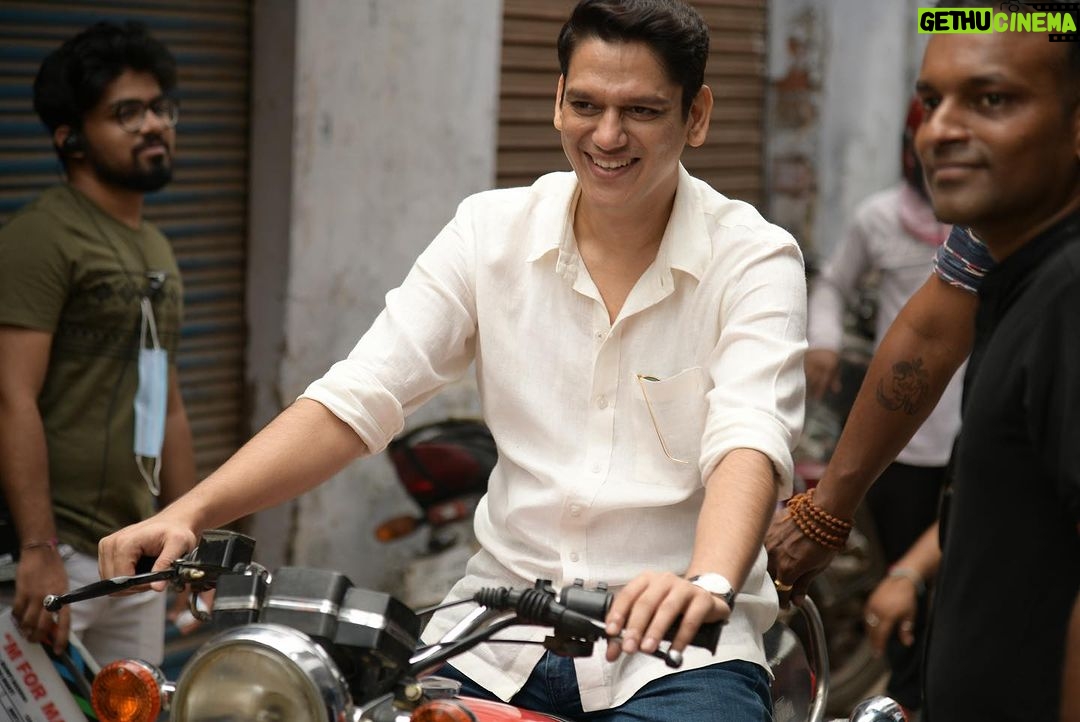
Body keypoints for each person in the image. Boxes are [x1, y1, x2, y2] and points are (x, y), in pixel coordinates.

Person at [98, 1, 807, 719]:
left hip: (680, 652)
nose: (607, 135)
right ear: (558, 102)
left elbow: (748, 437)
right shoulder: (487, 233)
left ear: (696, 116)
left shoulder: (754, 258)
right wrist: (190, 512)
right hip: (495, 638)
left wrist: (707, 582)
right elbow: (360, 396)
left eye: (642, 111)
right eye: (586, 104)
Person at [0, 21, 196, 663]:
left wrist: (189, 530)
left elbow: (168, 406)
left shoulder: (156, 246)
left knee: (133, 703)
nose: (154, 124)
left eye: (160, 108)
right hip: (55, 554)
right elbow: (11, 397)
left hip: (133, 550)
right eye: (126, 113)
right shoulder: (42, 237)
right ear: (71, 138)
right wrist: (38, 548)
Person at [803, 97, 958, 715]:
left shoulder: (1000, 224)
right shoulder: (880, 219)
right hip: (906, 440)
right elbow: (833, 285)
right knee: (902, 578)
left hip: (972, 432)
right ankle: (905, 698)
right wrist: (823, 342)